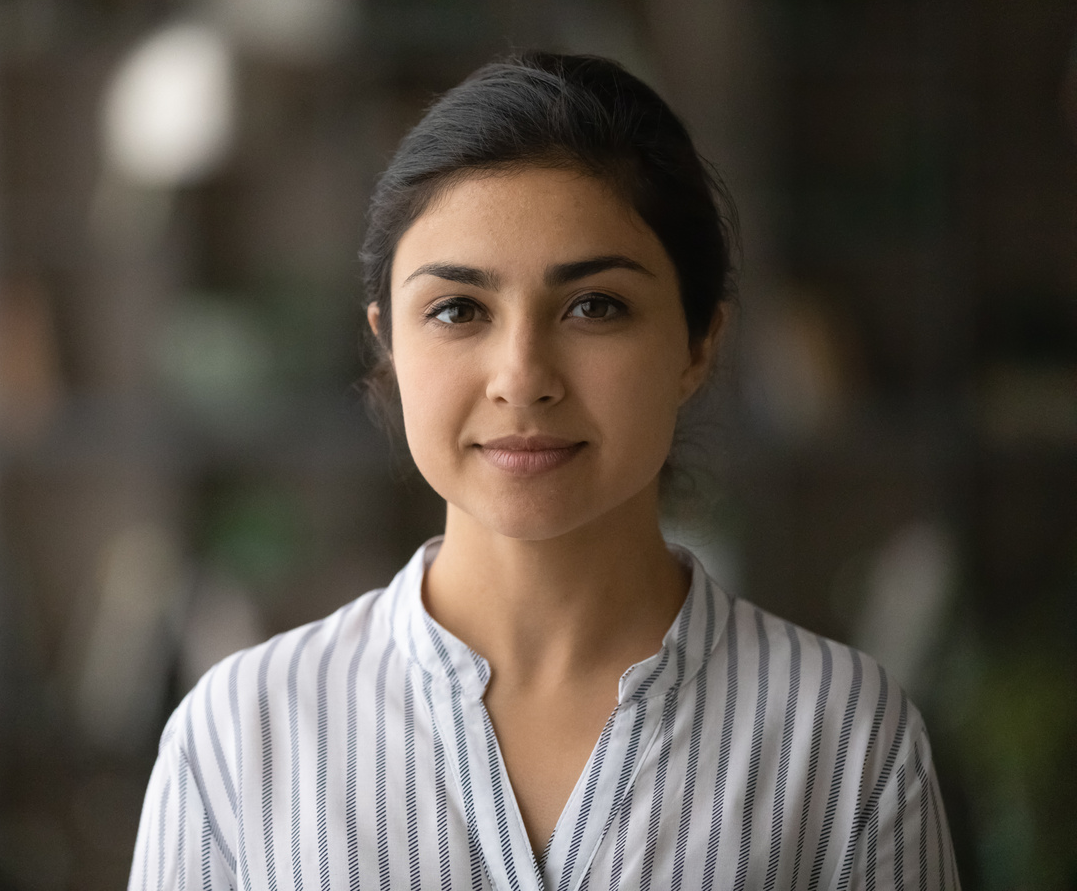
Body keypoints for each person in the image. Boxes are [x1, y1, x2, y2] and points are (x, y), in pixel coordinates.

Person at [128, 51, 959, 890]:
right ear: (386, 340)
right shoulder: (239, 737)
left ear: (699, 342)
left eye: (595, 307)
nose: (522, 376)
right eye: (458, 310)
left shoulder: (845, 739)